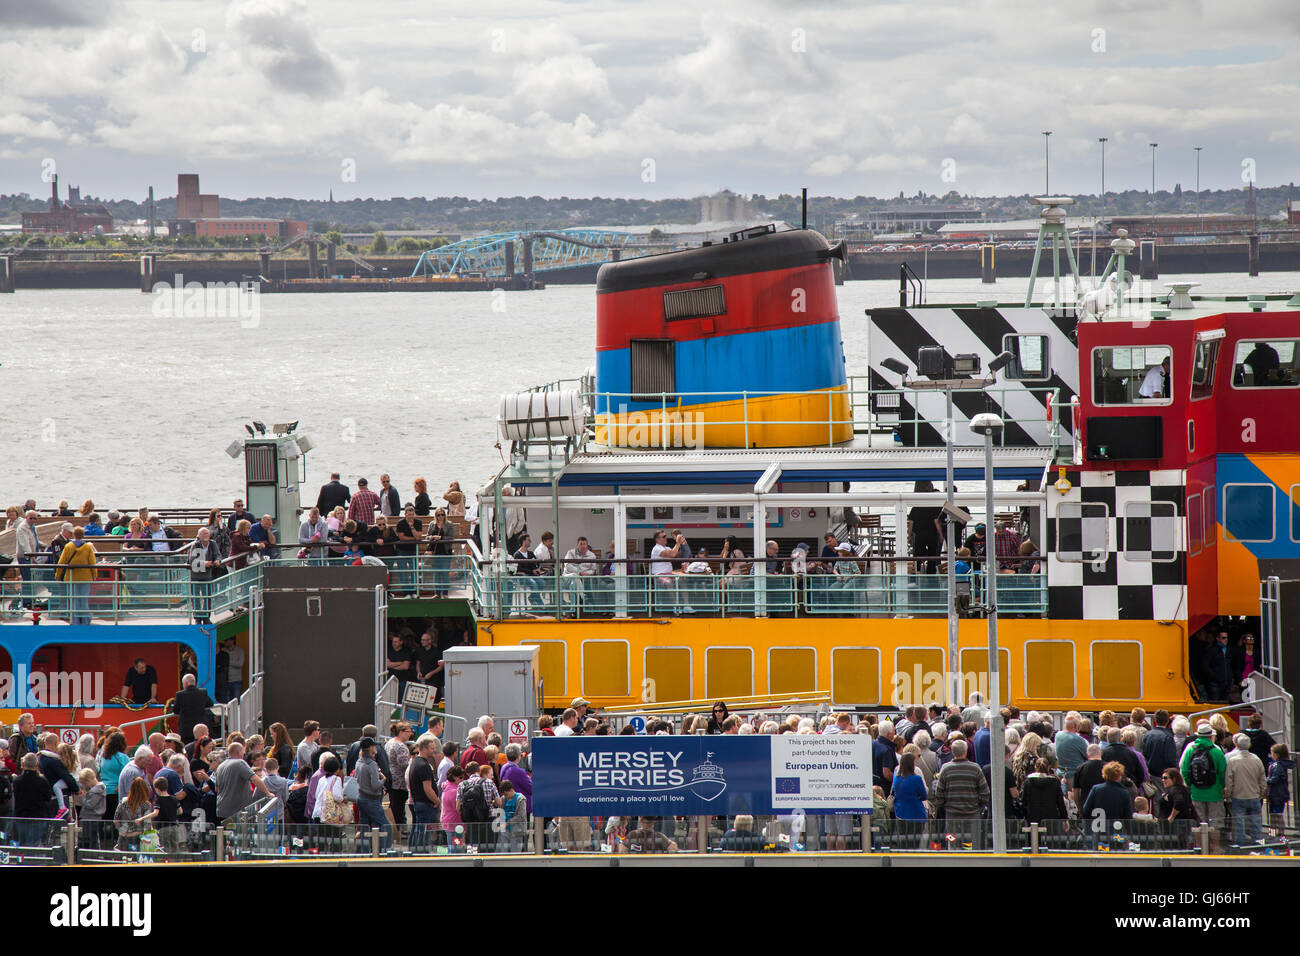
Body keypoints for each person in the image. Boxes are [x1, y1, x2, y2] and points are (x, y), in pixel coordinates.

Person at [1180, 721, 1228, 838]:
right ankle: (1215, 848)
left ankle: (1200, 847)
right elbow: (1222, 773)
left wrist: (1190, 785)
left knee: (1200, 823)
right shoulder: (1217, 751)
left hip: (1196, 792)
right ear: (1211, 736)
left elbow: (1185, 770)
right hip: (1215, 792)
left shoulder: (1191, 750)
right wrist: (1222, 787)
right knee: (1215, 823)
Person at [1223, 733, 1267, 846]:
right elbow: (1262, 779)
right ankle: (1258, 844)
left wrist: (1228, 795)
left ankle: (1241, 846)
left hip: (1238, 796)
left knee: (1239, 823)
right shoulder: (1257, 759)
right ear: (1250, 744)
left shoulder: (1233, 761)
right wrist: (1262, 793)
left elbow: (1229, 781)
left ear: (1236, 744)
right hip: (1254, 796)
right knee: (1256, 823)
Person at [931, 738, 989, 821]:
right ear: (965, 751)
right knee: (973, 834)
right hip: (973, 815)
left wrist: (945, 805)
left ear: (952, 752)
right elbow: (985, 792)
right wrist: (978, 806)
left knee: (951, 834)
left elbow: (939, 792)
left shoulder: (945, 768)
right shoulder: (975, 768)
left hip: (951, 815)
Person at [215, 742, 272, 824]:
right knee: (239, 835)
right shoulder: (240, 763)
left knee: (225, 835)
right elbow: (255, 778)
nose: (244, 754)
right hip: (236, 812)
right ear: (238, 752)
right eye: (243, 752)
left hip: (221, 810)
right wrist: (268, 793)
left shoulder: (220, 766)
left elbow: (217, 788)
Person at [354, 737, 392, 850]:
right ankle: (385, 851)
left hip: (361, 797)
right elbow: (375, 785)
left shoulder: (359, 762)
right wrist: (383, 779)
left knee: (365, 827)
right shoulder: (372, 764)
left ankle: (365, 852)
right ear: (371, 748)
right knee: (385, 826)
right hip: (372, 800)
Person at [55, 526, 97, 625]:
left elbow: (62, 562)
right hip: (85, 577)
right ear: (83, 535)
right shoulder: (88, 547)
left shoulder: (68, 546)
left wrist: (58, 574)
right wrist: (94, 575)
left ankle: (75, 621)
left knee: (73, 600)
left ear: (74, 535)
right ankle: (85, 620)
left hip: (71, 577)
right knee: (84, 599)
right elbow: (92, 562)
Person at [407, 733, 441, 850]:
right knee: (424, 834)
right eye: (432, 748)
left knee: (419, 831)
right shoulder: (423, 765)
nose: (434, 750)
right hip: (426, 804)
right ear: (424, 748)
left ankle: (414, 852)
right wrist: (437, 801)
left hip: (419, 803)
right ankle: (421, 854)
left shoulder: (416, 762)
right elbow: (427, 788)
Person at [188, 526, 223, 624]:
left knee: (207, 596)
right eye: (203, 534)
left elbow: (218, 554)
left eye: (207, 534)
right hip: (196, 575)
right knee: (196, 597)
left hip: (207, 575)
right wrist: (204, 563)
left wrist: (217, 560)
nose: (206, 536)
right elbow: (192, 560)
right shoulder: (195, 545)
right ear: (199, 536)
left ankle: (206, 616)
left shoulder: (213, 544)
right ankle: (197, 617)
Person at [113, 776, 156, 852]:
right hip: (137, 837)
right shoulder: (146, 805)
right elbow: (147, 824)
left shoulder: (123, 802)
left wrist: (121, 829)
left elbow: (116, 820)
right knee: (135, 861)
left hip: (123, 836)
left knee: (123, 860)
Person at [1020, 757, 1067, 823]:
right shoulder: (1054, 782)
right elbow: (1060, 803)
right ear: (1048, 768)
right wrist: (1065, 818)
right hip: (1051, 819)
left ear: (1035, 767)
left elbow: (1024, 802)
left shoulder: (1028, 781)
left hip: (1033, 819)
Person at [171, 674, 214, 745]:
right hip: (201, 728)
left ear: (185, 683)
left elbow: (175, 710)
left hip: (186, 730)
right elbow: (210, 704)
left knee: (187, 750)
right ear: (195, 683)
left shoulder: (180, 695)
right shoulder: (203, 692)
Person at [385, 723, 413, 829]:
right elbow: (405, 764)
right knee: (399, 808)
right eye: (408, 732)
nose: (410, 734)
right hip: (400, 782)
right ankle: (400, 830)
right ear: (401, 732)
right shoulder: (401, 746)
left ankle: (395, 829)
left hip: (392, 780)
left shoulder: (389, 743)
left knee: (394, 806)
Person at [1140, 709, 1179, 779]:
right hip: (1163, 775)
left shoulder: (1148, 735)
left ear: (1155, 720)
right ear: (1167, 721)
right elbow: (1170, 759)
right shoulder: (1168, 737)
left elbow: (1144, 754)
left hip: (1150, 773)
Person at [1266, 743, 1292, 832]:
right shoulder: (1282, 764)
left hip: (1276, 794)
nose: (1271, 755)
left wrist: (1265, 780)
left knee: (1275, 815)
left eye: (1272, 753)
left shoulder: (1277, 766)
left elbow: (1274, 779)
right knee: (1277, 814)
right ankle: (1279, 834)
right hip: (1281, 793)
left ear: (1276, 755)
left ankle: (1278, 835)